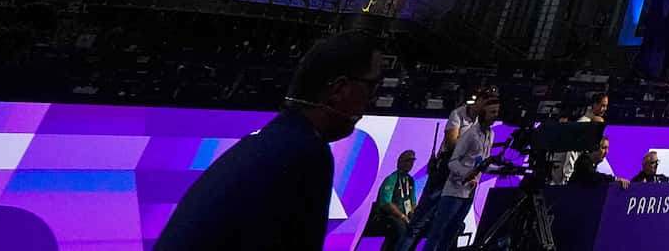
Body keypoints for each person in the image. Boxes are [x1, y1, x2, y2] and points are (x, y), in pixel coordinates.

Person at [155, 30, 388, 250]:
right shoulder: (306, 154)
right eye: (371, 86)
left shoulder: (266, 143)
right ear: (339, 89)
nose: (373, 98)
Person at [415, 87, 500, 251]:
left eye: (497, 112)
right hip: (453, 189)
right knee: (437, 231)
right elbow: (452, 161)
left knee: (451, 233)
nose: (496, 116)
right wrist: (467, 172)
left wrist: (500, 170)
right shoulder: (470, 133)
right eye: (492, 112)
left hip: (469, 190)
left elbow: (483, 163)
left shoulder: (489, 134)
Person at [369, 151, 421, 251]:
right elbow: (386, 203)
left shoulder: (410, 180)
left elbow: (413, 203)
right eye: (407, 161)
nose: (410, 164)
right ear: (399, 162)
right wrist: (402, 216)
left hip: (404, 216)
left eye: (412, 162)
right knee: (401, 228)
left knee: (417, 228)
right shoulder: (391, 179)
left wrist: (414, 216)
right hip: (387, 216)